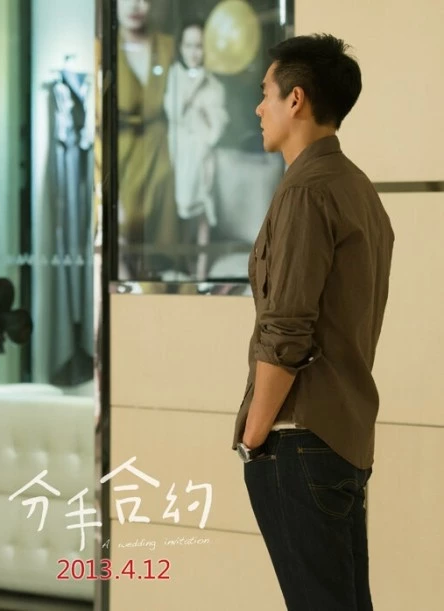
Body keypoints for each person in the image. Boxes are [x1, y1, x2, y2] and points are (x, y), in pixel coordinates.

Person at [231, 34, 394, 610]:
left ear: (295, 99)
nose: (259, 108)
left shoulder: (306, 191)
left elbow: (286, 331)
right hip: (344, 439)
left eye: (265, 93)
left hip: (298, 439)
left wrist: (253, 437)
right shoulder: (357, 188)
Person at [116, 0, 182, 279]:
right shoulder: (105, 49)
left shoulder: (168, 47)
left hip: (161, 149)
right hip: (119, 152)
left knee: (162, 247)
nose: (135, 5)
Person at [163, 20, 229, 280]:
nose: (193, 52)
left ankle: (201, 269)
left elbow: (216, 128)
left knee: (202, 211)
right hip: (178, 153)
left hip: (201, 154)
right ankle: (182, 263)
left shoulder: (214, 84)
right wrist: (192, 90)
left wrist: (206, 116)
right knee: (179, 210)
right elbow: (174, 112)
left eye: (199, 46)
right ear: (181, 47)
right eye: (188, 45)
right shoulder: (174, 77)